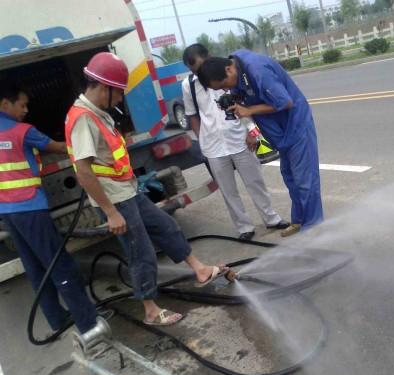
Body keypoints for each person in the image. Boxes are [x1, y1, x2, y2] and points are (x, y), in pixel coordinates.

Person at [65, 52, 224, 326]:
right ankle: (150, 310)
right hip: (117, 202)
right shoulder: (83, 119)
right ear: (105, 87)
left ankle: (199, 269)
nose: (120, 99)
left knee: (167, 227)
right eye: (118, 93)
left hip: (128, 192)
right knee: (141, 254)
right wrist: (111, 213)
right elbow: (84, 172)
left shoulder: (97, 114)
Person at [0, 83, 98, 334]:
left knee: (35, 268)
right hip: (30, 207)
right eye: (21, 105)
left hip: (8, 212)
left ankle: (57, 319)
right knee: (59, 263)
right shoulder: (23, 131)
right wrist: (84, 145)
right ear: (5, 104)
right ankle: (89, 321)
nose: (25, 109)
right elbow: (55, 146)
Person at [200, 49, 324, 237]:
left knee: (305, 180)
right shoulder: (237, 71)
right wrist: (251, 131)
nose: (225, 90)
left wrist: (249, 110)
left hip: (296, 127)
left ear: (229, 69)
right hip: (281, 133)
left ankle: (314, 228)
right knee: (290, 177)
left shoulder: (258, 70)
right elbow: (247, 100)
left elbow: (285, 102)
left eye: (224, 85)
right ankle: (300, 221)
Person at [181, 44, 289, 241]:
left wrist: (252, 132)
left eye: (200, 67)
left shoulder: (230, 76)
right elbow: (192, 116)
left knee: (255, 182)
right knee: (228, 190)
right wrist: (202, 140)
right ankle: (244, 227)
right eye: (194, 70)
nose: (199, 73)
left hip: (239, 138)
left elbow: (245, 106)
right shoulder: (188, 85)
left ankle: (271, 218)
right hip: (213, 146)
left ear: (210, 58)